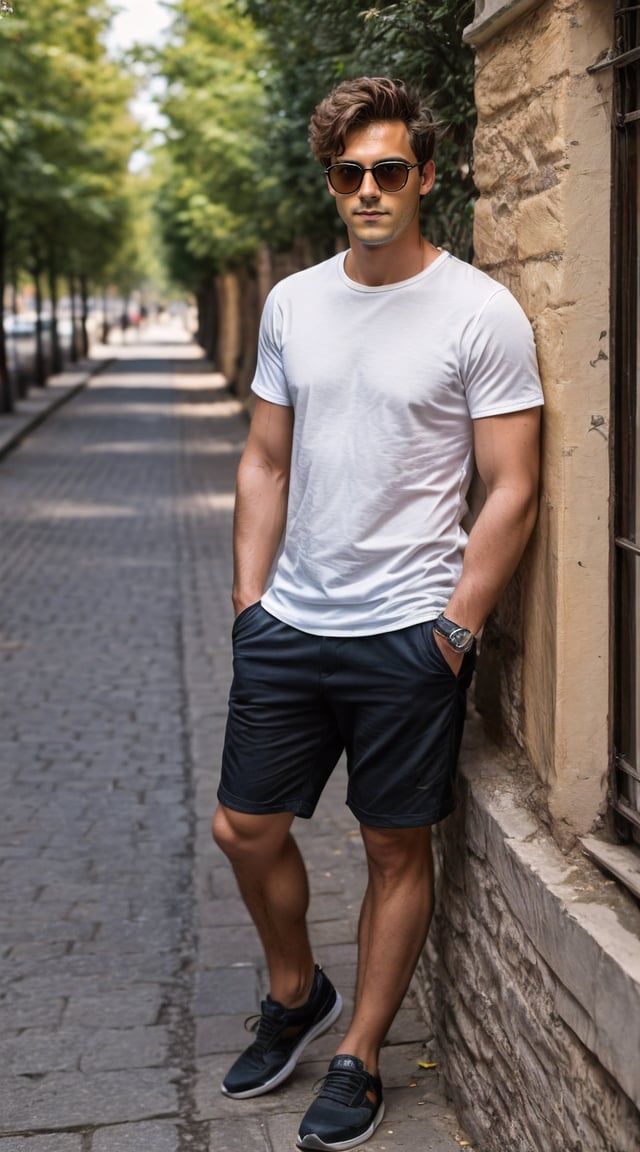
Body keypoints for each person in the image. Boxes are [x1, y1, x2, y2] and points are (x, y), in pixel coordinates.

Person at [212, 76, 543, 1151]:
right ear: (331, 183)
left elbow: (511, 486)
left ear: (426, 178)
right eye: (349, 172)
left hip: (409, 632)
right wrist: (248, 600)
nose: (367, 188)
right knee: (243, 829)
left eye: (388, 170)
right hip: (291, 625)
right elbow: (265, 459)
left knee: (394, 846)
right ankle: (295, 987)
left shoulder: (477, 311)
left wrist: (453, 629)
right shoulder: (295, 302)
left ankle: (359, 1053)